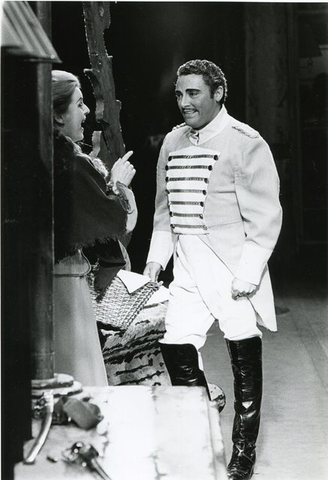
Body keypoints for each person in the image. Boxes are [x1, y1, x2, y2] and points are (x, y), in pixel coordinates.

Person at [143, 59, 282, 480]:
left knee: (241, 345)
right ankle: (203, 430)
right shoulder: (172, 142)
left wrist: (249, 272)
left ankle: (243, 453)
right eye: (179, 94)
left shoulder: (245, 141)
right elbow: (164, 212)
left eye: (194, 93)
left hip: (230, 265)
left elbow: (265, 214)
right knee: (175, 342)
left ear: (218, 93)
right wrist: (155, 261)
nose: (184, 103)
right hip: (185, 265)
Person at [52, 70, 137, 386]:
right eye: (78, 105)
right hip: (65, 287)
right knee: (79, 377)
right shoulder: (71, 162)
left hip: (35, 286)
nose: (86, 112)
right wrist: (117, 184)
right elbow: (114, 219)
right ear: (59, 116)